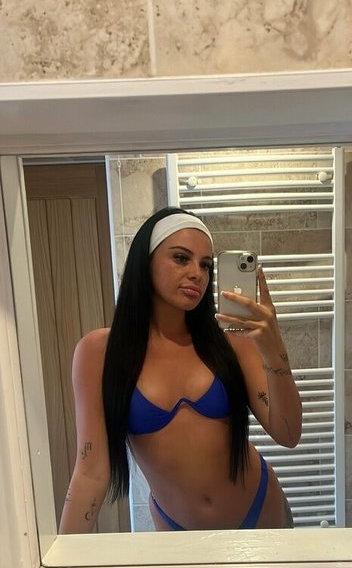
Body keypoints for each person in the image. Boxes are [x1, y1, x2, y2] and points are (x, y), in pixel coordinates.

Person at [59, 207, 302, 534]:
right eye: (181, 258)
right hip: (177, 530)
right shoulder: (100, 353)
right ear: (145, 262)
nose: (196, 273)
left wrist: (274, 350)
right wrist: (61, 560)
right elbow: (91, 472)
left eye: (205, 265)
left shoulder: (231, 341)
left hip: (260, 512)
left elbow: (288, 434)